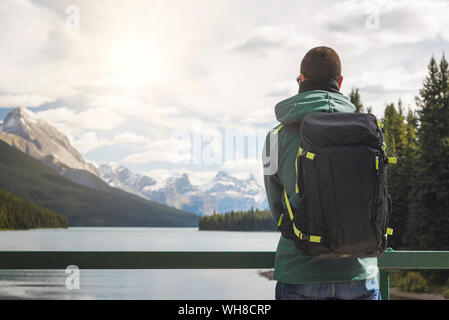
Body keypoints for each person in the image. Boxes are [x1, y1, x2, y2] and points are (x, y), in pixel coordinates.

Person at [262, 46, 381, 300]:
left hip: (299, 271)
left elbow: (276, 208)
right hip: (359, 273)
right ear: (339, 82)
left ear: (301, 80)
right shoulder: (369, 133)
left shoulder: (276, 137)